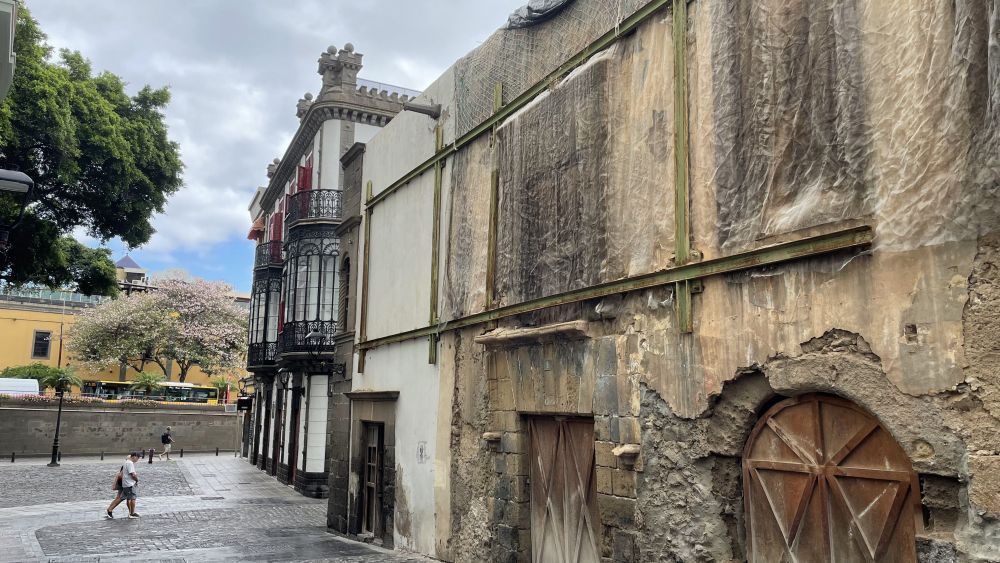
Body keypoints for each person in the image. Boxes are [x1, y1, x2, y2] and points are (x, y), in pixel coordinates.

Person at [106, 452, 141, 519]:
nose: (137, 460)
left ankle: (110, 510)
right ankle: (131, 513)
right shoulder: (129, 463)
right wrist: (136, 479)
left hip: (124, 483)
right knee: (125, 498)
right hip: (126, 483)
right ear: (134, 457)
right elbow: (127, 474)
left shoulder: (126, 463)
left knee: (120, 498)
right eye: (137, 458)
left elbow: (119, 474)